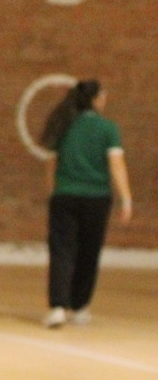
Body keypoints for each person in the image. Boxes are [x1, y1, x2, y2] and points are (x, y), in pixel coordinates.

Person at [39, 79, 133, 328]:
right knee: (89, 251)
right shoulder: (108, 128)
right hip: (97, 199)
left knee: (61, 251)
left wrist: (53, 193)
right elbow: (116, 164)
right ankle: (80, 307)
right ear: (95, 100)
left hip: (65, 196)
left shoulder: (62, 125)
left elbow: (51, 165)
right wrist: (126, 198)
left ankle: (58, 307)